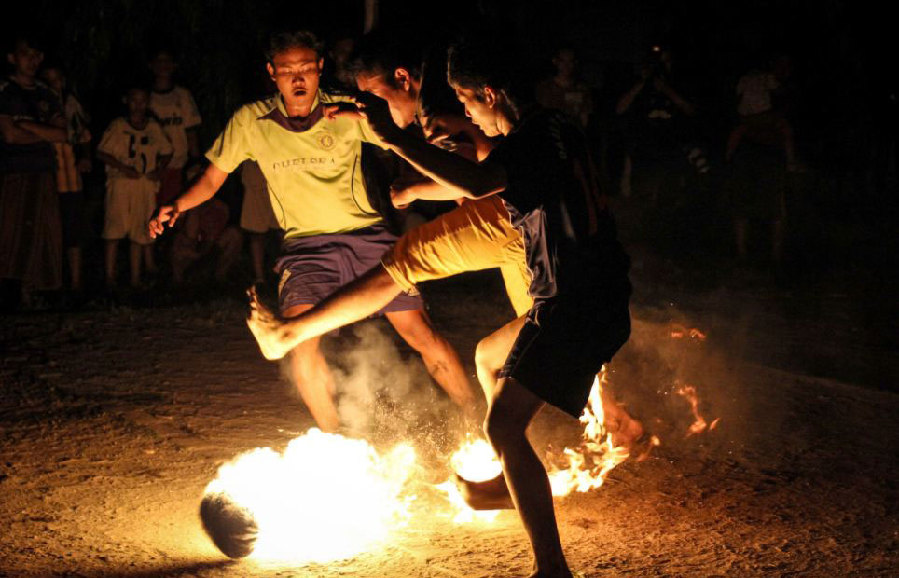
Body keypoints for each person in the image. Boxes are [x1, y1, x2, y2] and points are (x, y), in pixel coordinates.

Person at [247, 30, 632, 578]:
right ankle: (510, 479)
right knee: (487, 357)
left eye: (471, 105)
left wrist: (395, 141)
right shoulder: (560, 127)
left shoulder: (524, 141)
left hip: (573, 302)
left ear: (492, 94)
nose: (470, 118)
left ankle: (552, 569)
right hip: (601, 291)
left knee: (503, 427)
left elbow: (480, 182)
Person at [149, 30, 474, 433]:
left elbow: (403, 140)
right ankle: (337, 441)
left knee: (419, 331)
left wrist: (449, 181)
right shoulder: (251, 122)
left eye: (306, 69)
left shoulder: (346, 110)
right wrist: (177, 205)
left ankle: (477, 420)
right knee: (302, 345)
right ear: (272, 73)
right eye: (287, 71)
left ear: (320, 69)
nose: (298, 79)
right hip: (305, 249)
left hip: (369, 237)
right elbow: (214, 179)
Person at [0, 36, 66, 308]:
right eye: (25, 54)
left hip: (43, 171)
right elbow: (10, 136)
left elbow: (63, 133)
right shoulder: (5, 91)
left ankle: (37, 291)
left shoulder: (46, 93)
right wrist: (43, 133)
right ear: (12, 58)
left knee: (44, 230)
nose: (32, 60)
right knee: (11, 231)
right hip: (13, 172)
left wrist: (28, 126)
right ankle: (12, 291)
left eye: (36, 55)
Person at [97, 85, 173, 289]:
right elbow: (102, 152)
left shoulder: (153, 127)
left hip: (145, 185)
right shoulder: (118, 125)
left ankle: (135, 278)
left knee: (140, 231)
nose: (138, 105)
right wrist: (123, 168)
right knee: (113, 229)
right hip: (120, 184)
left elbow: (167, 151)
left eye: (142, 101)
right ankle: (110, 277)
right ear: (126, 101)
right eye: (134, 100)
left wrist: (159, 169)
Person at [41, 62, 91, 293]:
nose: (54, 85)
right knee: (50, 232)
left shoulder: (72, 105)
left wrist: (84, 157)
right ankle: (49, 283)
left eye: (57, 79)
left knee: (74, 231)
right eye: (49, 80)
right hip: (49, 181)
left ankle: (76, 283)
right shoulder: (39, 107)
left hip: (72, 180)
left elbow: (83, 137)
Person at [148, 48, 202, 206]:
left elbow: (191, 131)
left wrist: (195, 161)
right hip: (151, 166)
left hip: (177, 165)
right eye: (159, 61)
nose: (163, 66)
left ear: (174, 65)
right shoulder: (145, 97)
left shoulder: (182, 95)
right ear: (151, 65)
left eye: (167, 61)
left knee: (173, 210)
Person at [170, 197, 242, 286]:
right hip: (194, 247)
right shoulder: (192, 209)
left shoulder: (220, 207)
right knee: (181, 247)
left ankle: (218, 278)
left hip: (213, 249)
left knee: (235, 235)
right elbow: (186, 236)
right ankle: (182, 284)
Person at [238, 160, 281, 284]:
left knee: (283, 232)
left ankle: (286, 272)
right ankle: (260, 278)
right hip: (255, 180)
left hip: (279, 180)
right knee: (257, 233)